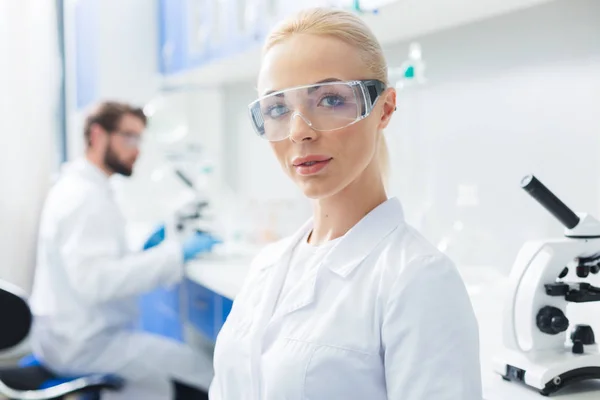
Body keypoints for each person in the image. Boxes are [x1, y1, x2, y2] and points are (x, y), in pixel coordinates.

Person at [210, 7, 482, 400]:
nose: (299, 131)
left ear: (384, 109)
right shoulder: (265, 267)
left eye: (330, 100)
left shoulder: (418, 280)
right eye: (277, 108)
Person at [29, 101, 219, 400]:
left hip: (69, 336)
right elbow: (96, 282)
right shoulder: (84, 198)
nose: (137, 149)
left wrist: (142, 250)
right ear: (97, 135)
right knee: (205, 372)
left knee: (187, 367)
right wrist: (174, 255)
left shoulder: (85, 188)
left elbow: (91, 262)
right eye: (129, 137)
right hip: (85, 345)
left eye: (139, 138)